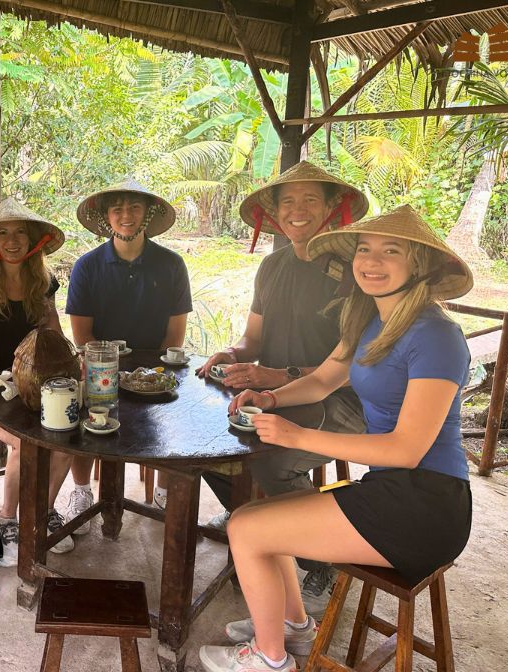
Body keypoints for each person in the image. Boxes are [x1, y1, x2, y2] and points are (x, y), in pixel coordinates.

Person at [198, 205, 474, 672]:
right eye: (364, 249)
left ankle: (268, 658)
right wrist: (271, 400)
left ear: (420, 265)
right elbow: (323, 381)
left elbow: (407, 449)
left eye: (392, 251)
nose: (372, 260)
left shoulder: (437, 336)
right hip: (390, 488)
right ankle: (294, 627)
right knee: (256, 515)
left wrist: (298, 434)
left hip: (428, 504)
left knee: (245, 530)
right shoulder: (370, 321)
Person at [194, 162, 369, 612]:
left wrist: (279, 377)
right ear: (273, 212)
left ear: (333, 207)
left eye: (311, 199)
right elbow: (252, 340)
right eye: (287, 201)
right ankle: (250, 510)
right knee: (202, 445)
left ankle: (321, 558)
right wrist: (232, 355)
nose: (298, 210)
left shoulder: (357, 271)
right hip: (274, 397)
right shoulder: (272, 266)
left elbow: (350, 366)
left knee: (273, 464)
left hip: (343, 402)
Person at [64, 179, 192, 520]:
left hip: (154, 367)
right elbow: (83, 337)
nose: (126, 215)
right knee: (86, 409)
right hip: (101, 366)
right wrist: (110, 372)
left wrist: (148, 377)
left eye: (134, 207)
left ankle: (165, 493)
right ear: (106, 217)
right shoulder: (87, 266)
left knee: (173, 408)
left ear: (147, 215)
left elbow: (174, 335)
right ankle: (81, 491)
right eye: (117, 208)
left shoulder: (171, 264)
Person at [0, 197, 74, 566]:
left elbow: (51, 338)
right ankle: (7, 519)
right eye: (3, 233)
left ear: (33, 239)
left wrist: (71, 368)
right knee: (26, 442)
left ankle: (43, 512)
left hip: (33, 386)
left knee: (68, 436)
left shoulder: (44, 281)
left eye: (20, 232)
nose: (11, 240)